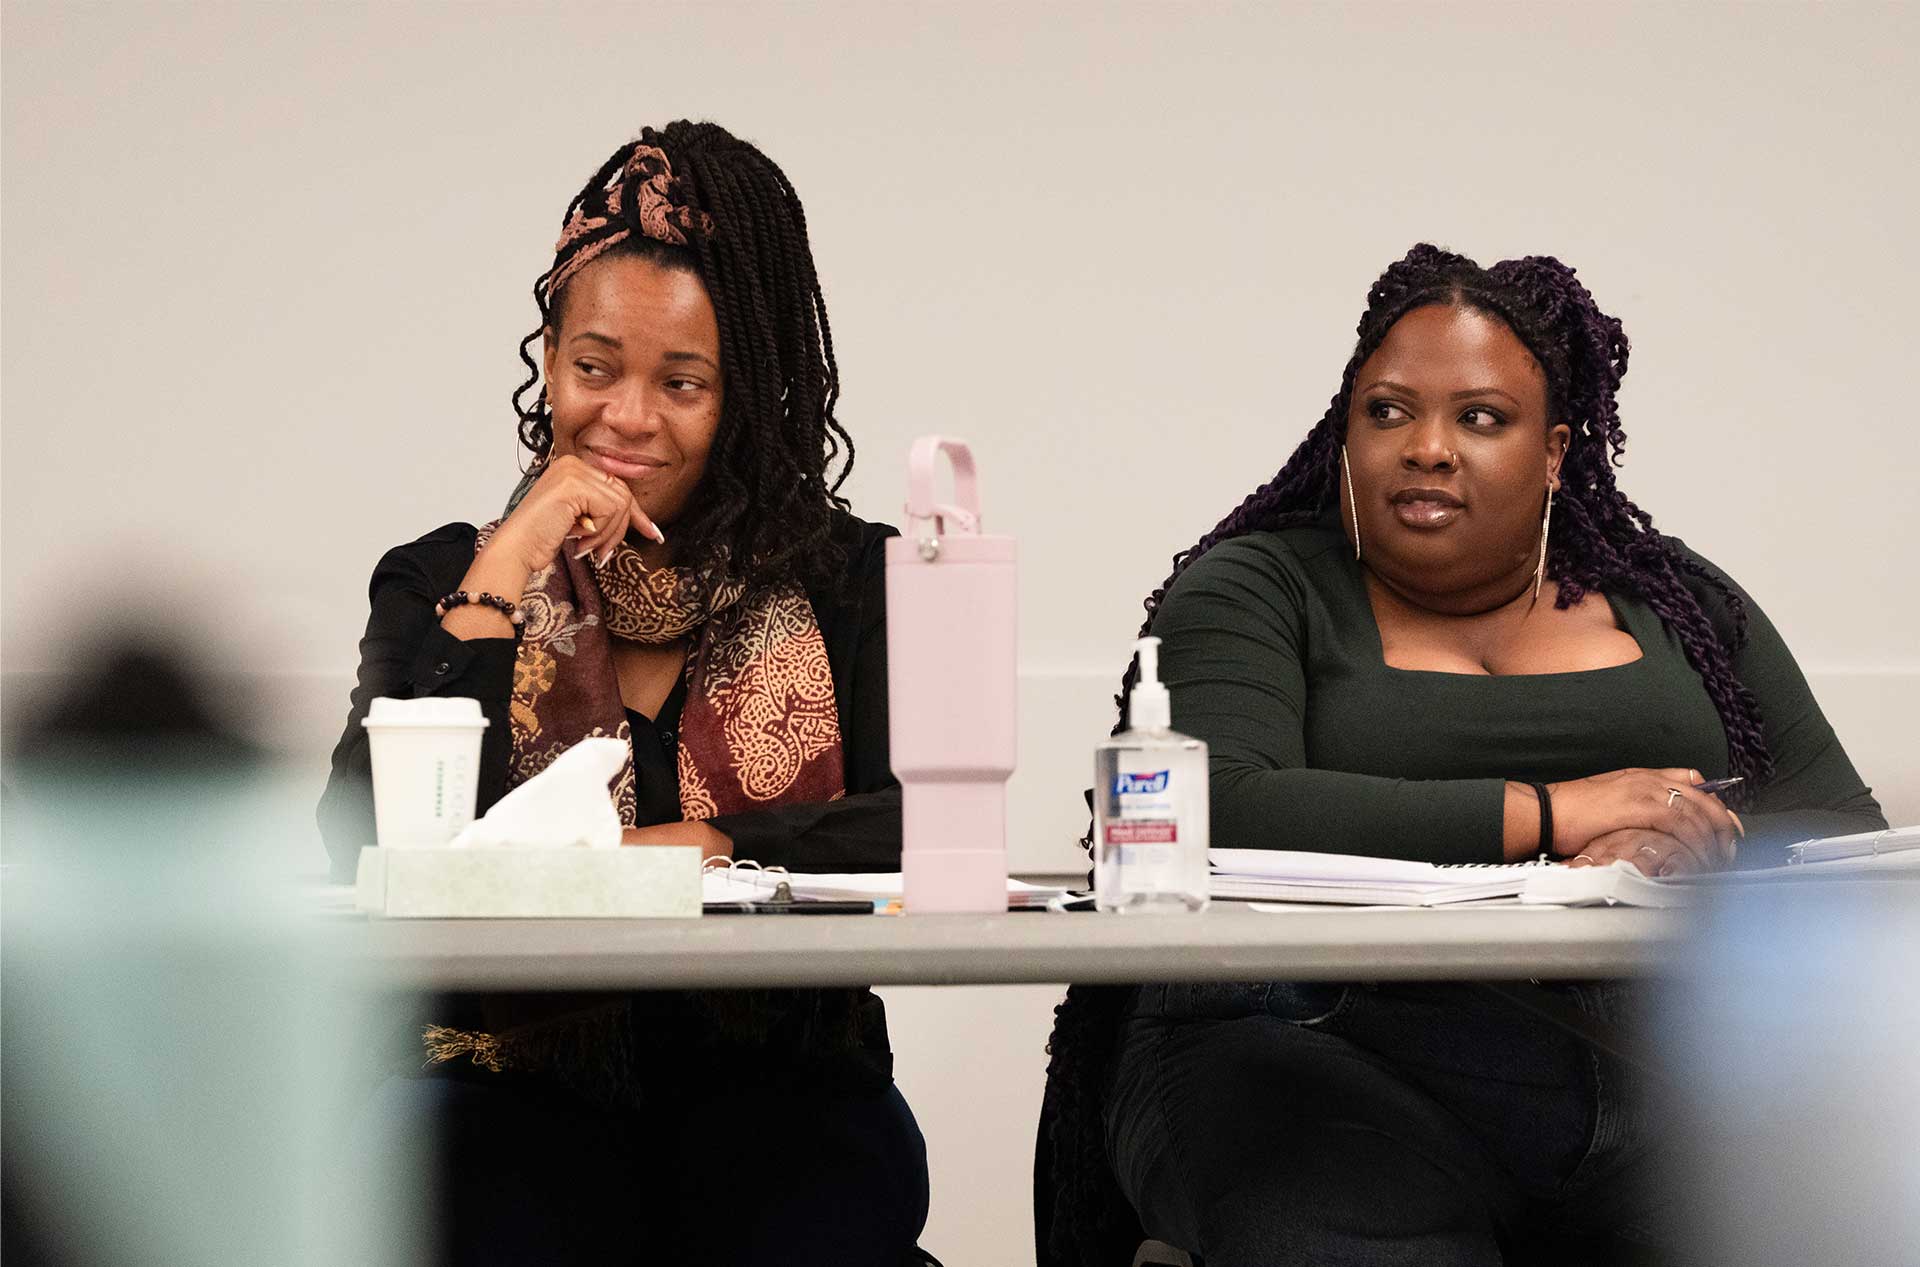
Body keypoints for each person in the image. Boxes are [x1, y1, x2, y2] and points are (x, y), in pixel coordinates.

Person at [1036, 244, 1886, 1267]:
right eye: (1387, 411)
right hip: (1312, 1050)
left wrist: (1689, 849)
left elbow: (1846, 837)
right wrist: (1552, 813)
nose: (1427, 447)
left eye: (1480, 418)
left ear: (1557, 450)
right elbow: (1220, 808)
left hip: (1658, 1070)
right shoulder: (1255, 588)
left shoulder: (1677, 602)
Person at [319, 122, 928, 1265]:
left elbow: (920, 825)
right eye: (594, 367)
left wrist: (697, 845)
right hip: (493, 1083)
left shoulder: (854, 582)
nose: (628, 418)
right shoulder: (439, 579)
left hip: (782, 1082)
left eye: (682, 382)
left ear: (749, 392)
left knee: (804, 1209)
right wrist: (510, 560)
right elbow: (359, 827)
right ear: (547, 359)